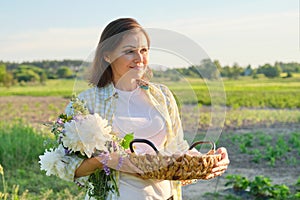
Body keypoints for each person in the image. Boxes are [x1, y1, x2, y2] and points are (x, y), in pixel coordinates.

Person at [63, 18, 230, 200]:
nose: (140, 59)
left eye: (144, 50)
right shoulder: (86, 102)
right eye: (129, 51)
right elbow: (66, 166)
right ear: (107, 55)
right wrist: (106, 160)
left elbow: (177, 148)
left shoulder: (163, 96)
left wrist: (208, 160)